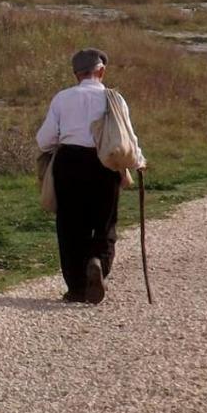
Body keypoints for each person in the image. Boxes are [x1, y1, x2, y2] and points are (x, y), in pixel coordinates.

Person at [36, 48, 145, 305]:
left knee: (70, 226)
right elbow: (127, 136)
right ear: (101, 71)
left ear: (76, 74)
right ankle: (98, 263)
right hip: (104, 165)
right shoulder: (114, 98)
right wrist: (139, 162)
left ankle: (76, 288)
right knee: (105, 222)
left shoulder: (62, 98)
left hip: (69, 163)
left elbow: (44, 139)